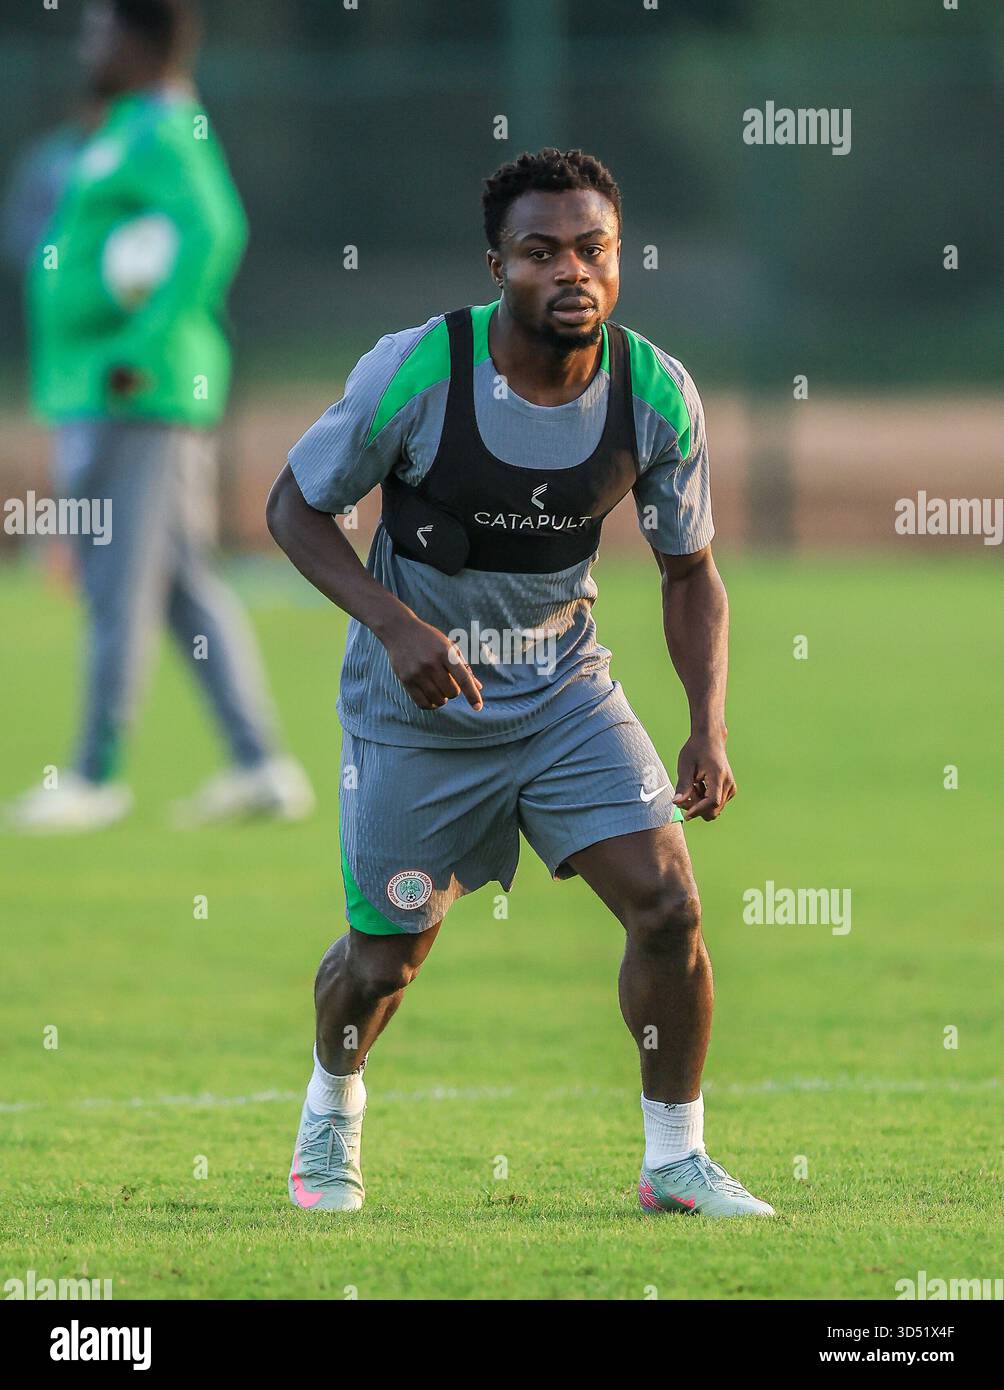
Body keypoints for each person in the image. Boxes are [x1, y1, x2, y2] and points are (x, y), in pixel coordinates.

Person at [267, 148, 774, 1218]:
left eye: (593, 249)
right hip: (418, 709)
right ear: (496, 264)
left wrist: (707, 727)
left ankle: (674, 1158)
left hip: (562, 693)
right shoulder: (416, 370)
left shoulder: (655, 393)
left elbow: (691, 575)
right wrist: (396, 625)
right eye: (541, 252)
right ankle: (331, 1110)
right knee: (385, 958)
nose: (571, 272)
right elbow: (292, 510)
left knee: (669, 904)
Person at [7, 0, 312, 833]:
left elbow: (214, 228)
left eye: (100, 31)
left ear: (139, 43)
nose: (88, 44)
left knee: (113, 576)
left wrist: (137, 344)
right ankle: (262, 767)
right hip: (109, 386)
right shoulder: (129, 123)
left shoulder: (166, 126)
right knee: (179, 584)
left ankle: (92, 775)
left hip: (134, 390)